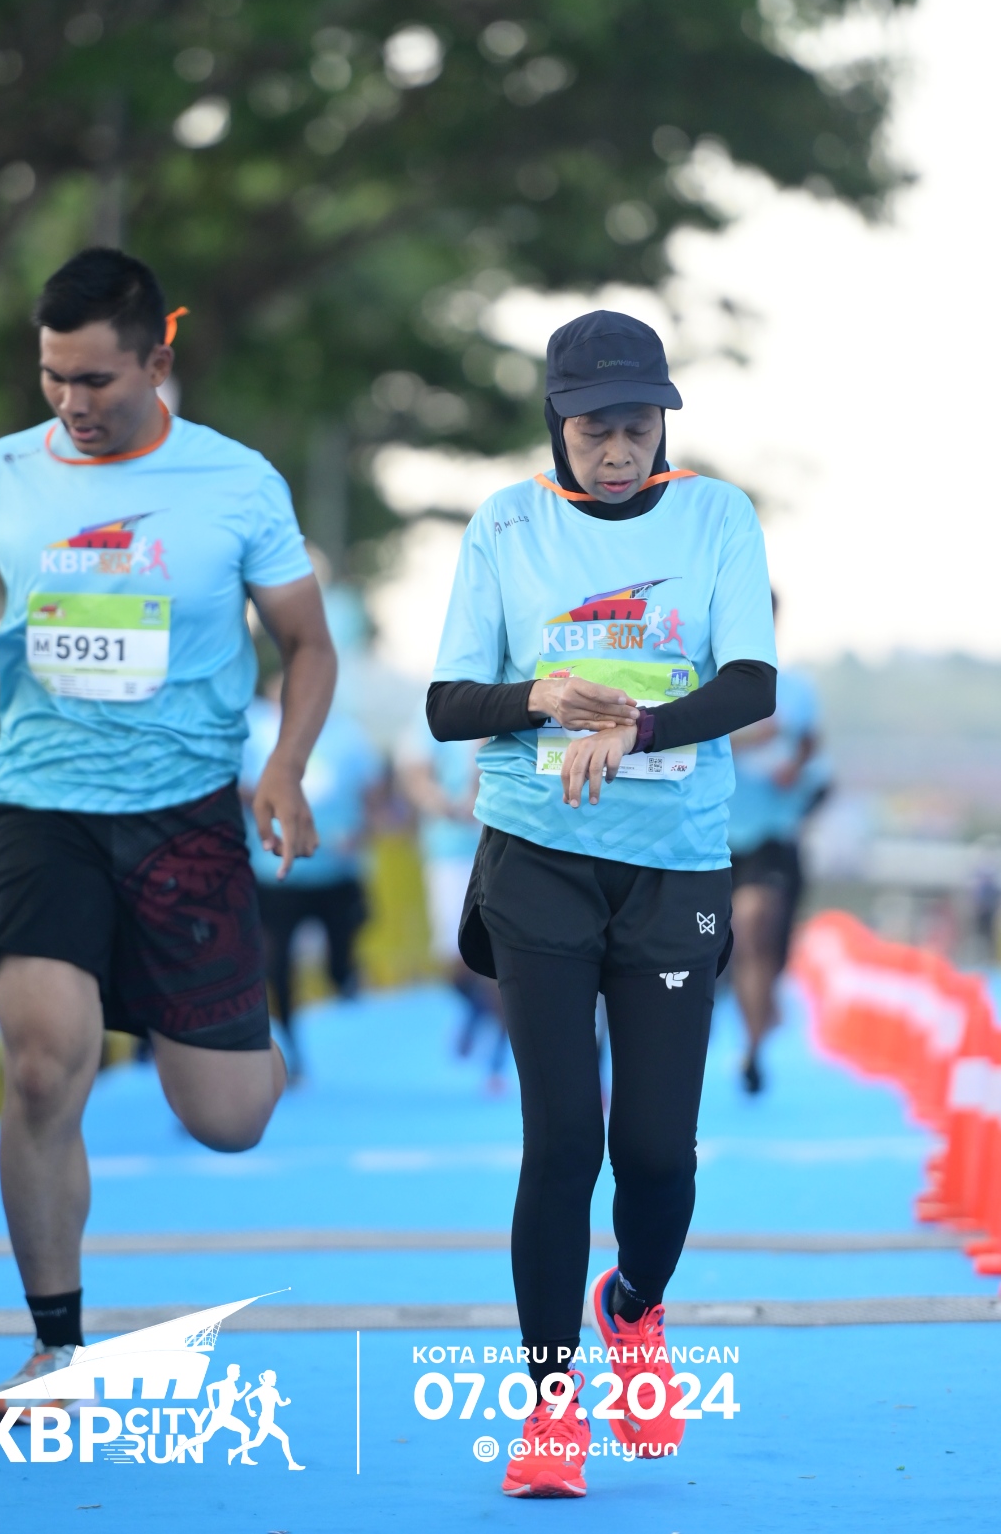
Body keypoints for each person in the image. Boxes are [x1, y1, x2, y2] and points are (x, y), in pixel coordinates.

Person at [0, 248, 336, 1424]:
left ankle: (190, 1005)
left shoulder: (236, 482)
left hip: (185, 815)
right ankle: (55, 1348)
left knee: (228, 1120)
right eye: (52, 378)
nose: (71, 404)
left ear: (155, 363)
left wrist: (283, 765)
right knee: (41, 1066)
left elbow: (305, 643)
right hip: (44, 806)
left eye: (95, 380)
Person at [426, 310, 776, 1500]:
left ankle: (631, 1304)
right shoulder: (504, 524)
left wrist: (636, 729)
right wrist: (540, 696)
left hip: (673, 862)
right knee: (564, 1139)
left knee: (656, 1154)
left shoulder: (716, 517)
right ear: (556, 426)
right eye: (594, 431)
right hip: (536, 855)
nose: (618, 450)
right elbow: (446, 703)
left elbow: (749, 683)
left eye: (636, 427)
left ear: (661, 422)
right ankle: (549, 1409)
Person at [240, 673, 382, 1074]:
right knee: (275, 964)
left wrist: (362, 833)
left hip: (335, 870)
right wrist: (271, 803)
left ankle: (344, 974)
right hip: (276, 873)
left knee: (340, 958)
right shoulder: (255, 731)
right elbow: (236, 786)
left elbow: (373, 794)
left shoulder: (347, 735)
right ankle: (290, 1047)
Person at [727, 622, 829, 1093]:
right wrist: (756, 738)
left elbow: (814, 752)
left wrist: (796, 767)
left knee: (754, 929)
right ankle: (752, 1020)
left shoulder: (796, 690)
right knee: (732, 944)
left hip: (771, 836)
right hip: (711, 833)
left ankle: (753, 1050)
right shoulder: (702, 681)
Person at [397, 716, 509, 1083]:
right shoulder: (435, 710)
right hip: (450, 851)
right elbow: (414, 774)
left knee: (500, 954)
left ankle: (498, 1055)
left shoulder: (516, 696)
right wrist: (440, 803)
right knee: (454, 962)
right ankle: (479, 1010)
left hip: (503, 849)